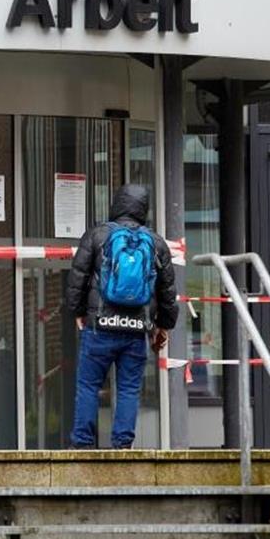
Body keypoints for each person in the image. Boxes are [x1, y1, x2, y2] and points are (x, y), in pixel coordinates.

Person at [64, 184, 178, 449]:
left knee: (89, 385)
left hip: (99, 326)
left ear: (117, 205)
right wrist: (163, 326)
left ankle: (82, 444)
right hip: (137, 329)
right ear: (143, 209)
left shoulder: (97, 235)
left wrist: (78, 312)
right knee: (128, 388)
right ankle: (122, 445)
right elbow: (167, 291)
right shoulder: (156, 242)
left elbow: (76, 279)